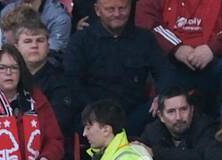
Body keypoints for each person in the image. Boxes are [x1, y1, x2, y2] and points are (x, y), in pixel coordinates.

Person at [63, 0, 164, 134]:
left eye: (122, 8)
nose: (117, 14)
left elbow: (163, 72)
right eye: (110, 9)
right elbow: (72, 81)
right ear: (97, 10)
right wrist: (95, 112)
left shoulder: (145, 38)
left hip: (135, 114)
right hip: (93, 113)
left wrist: (162, 95)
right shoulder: (80, 41)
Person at [140, 87, 217, 160]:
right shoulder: (152, 131)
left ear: (192, 110)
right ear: (161, 116)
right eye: (171, 111)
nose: (178, 117)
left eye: (183, 109)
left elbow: (201, 156)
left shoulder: (206, 127)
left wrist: (155, 153)